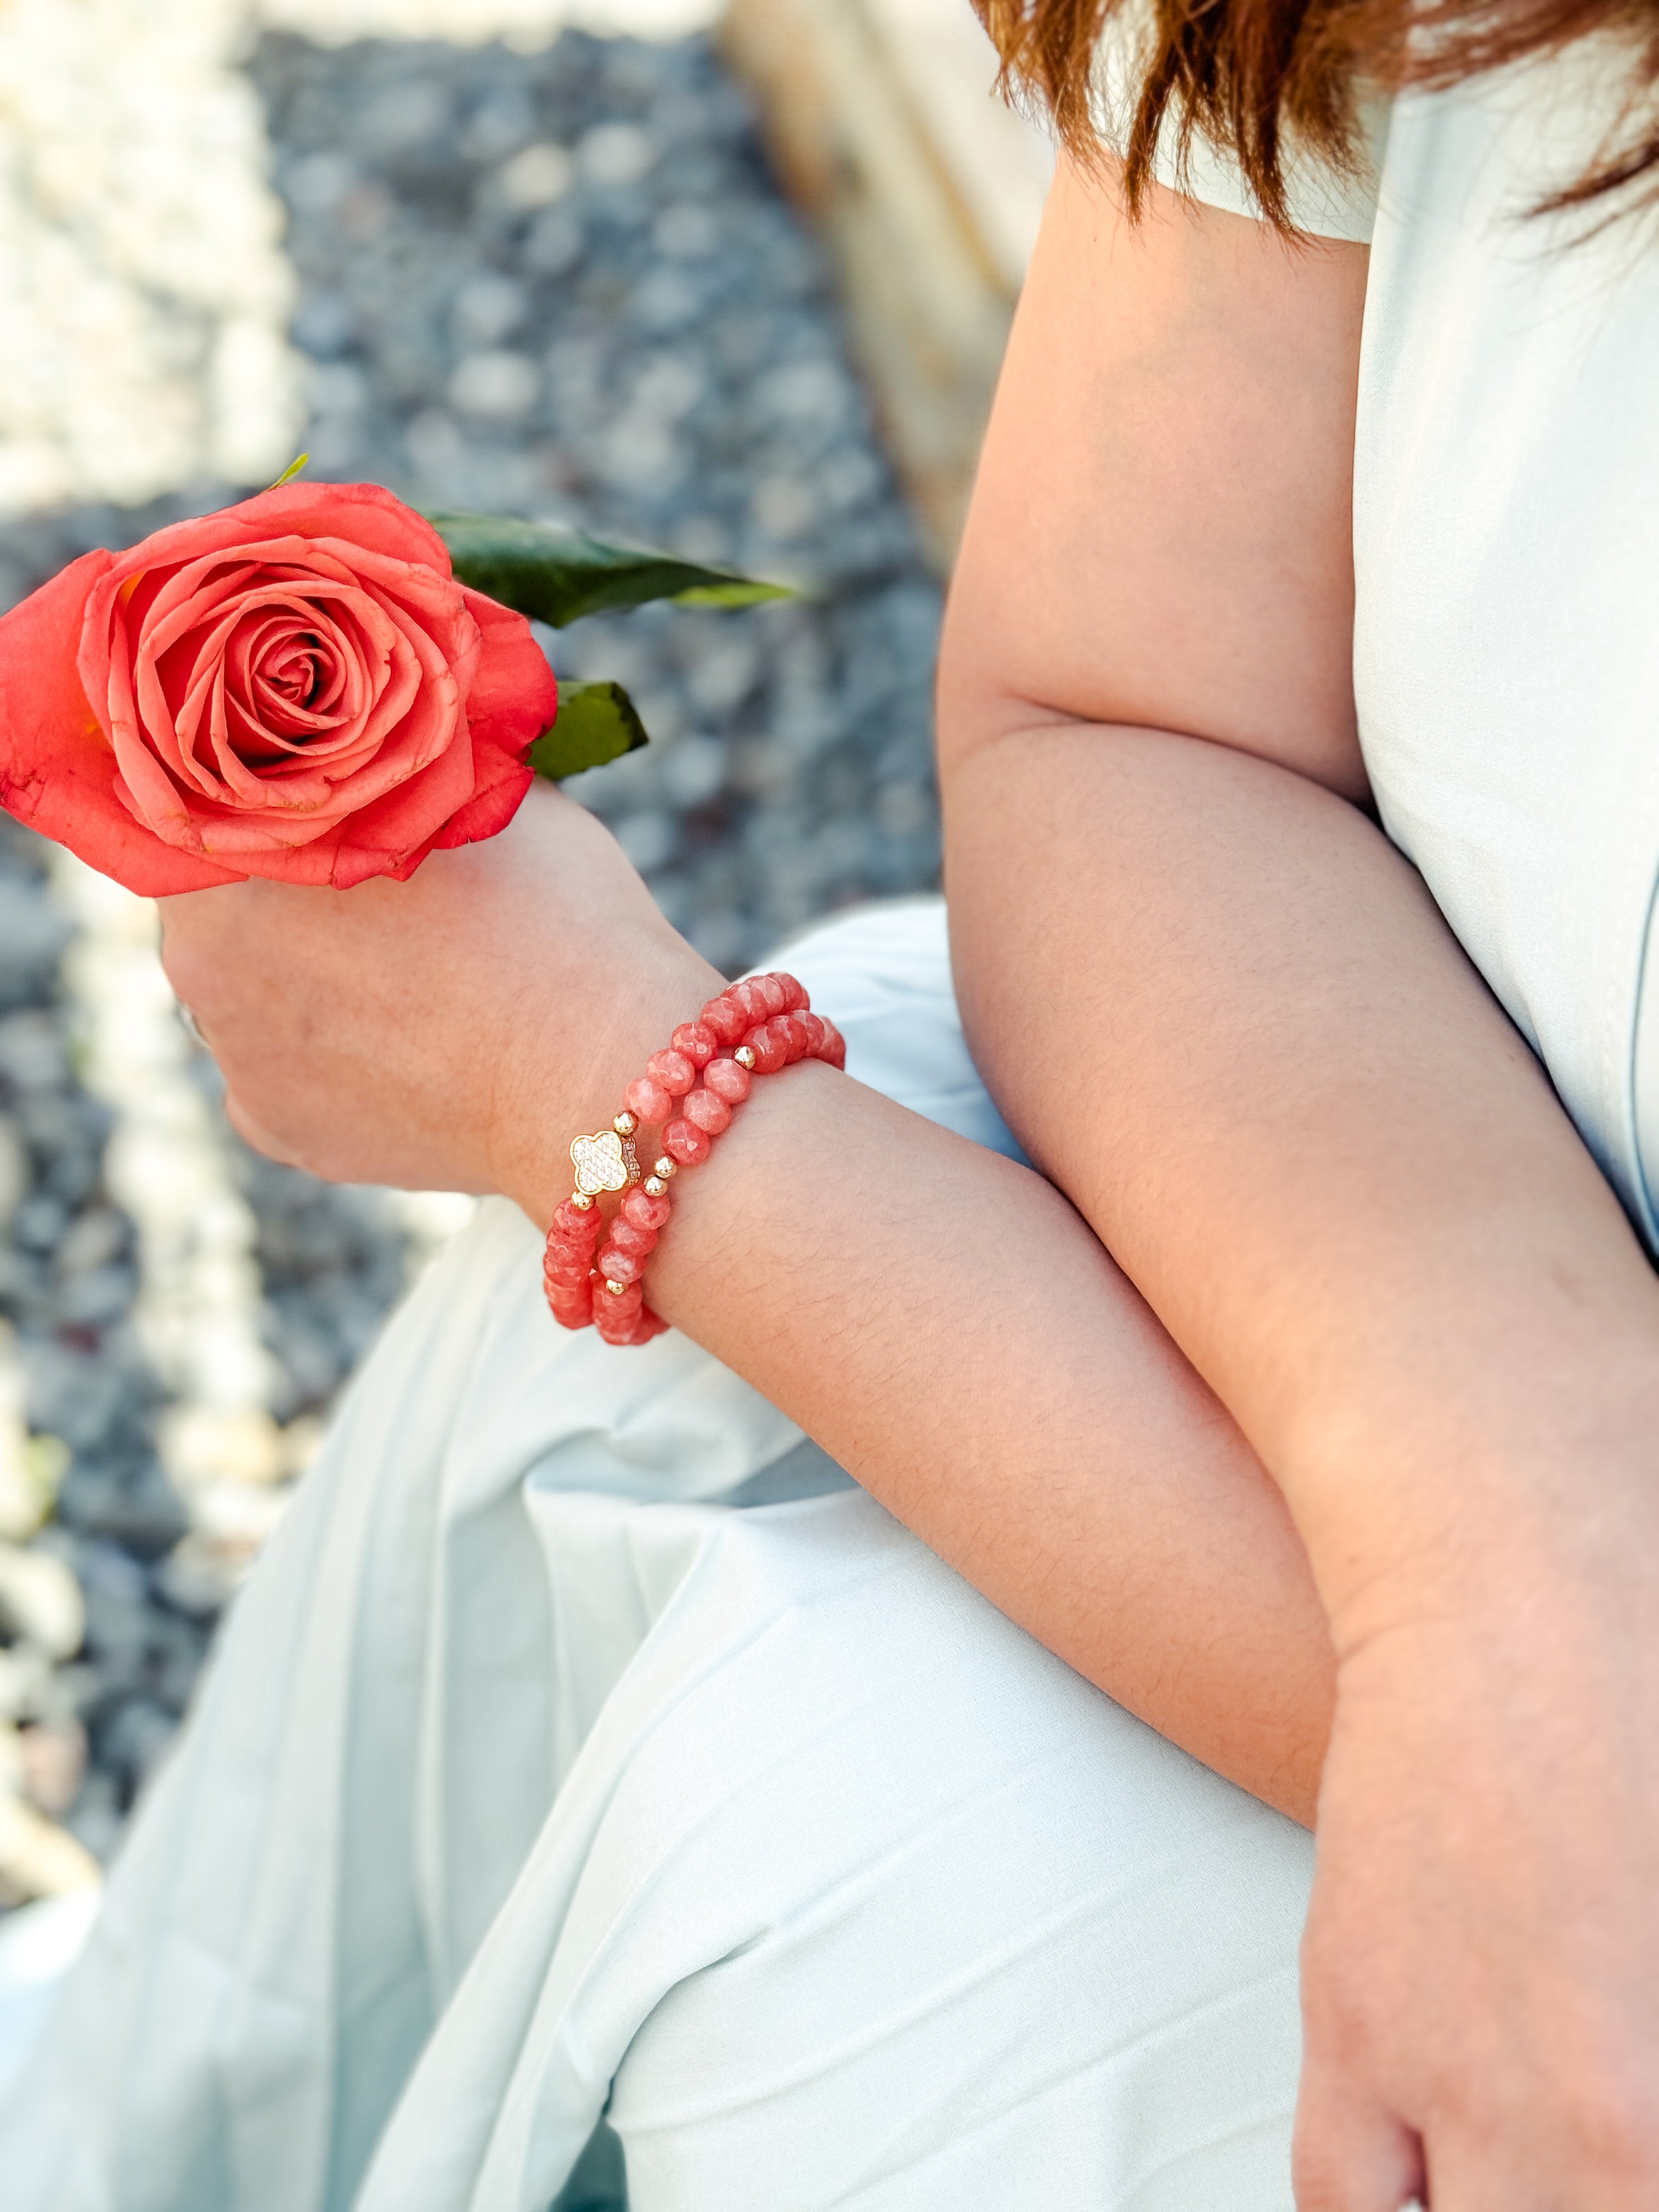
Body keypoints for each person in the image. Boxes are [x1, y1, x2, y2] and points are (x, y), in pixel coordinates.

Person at [7, 0, 1659, 2200]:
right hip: (1365, 1304)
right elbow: (1147, 699)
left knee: (871, 1855)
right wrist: (1513, 1549)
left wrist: (609, 1093)